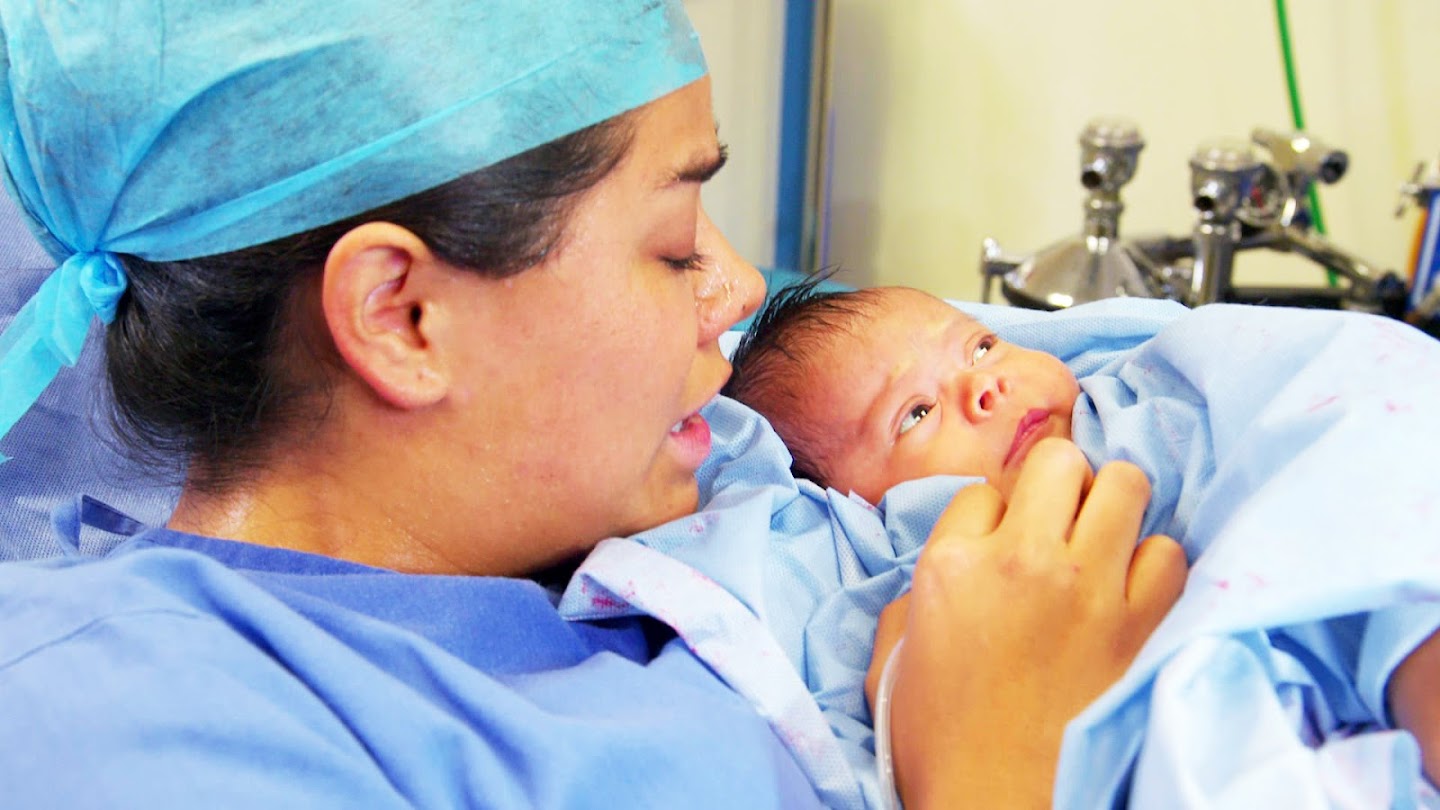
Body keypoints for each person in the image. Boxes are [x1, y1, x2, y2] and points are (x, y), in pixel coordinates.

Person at [0, 2, 1186, 808]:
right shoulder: (131, 732)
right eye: (675, 246)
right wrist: (996, 765)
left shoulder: (667, 478)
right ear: (403, 317)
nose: (735, 293)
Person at [716, 277, 1440, 796]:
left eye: (980, 347)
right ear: (856, 504)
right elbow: (900, 711)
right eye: (914, 414)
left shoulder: (1146, 412)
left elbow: (1324, 443)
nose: (985, 387)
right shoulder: (910, 572)